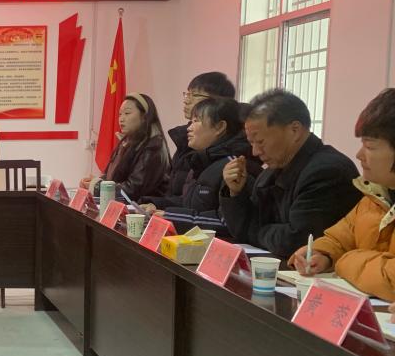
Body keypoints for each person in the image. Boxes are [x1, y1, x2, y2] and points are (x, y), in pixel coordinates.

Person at [219, 88, 359, 259]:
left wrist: (255, 231)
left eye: (260, 141)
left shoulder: (327, 171)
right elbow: (243, 229)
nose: (255, 151)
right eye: (251, 142)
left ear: (294, 130)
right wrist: (235, 193)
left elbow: (298, 240)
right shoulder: (272, 170)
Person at [288, 89, 395, 300]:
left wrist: (345, 260)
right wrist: (321, 254)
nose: (359, 155)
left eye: (369, 146)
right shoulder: (375, 196)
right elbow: (339, 239)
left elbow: (390, 279)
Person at [140, 97, 255, 234]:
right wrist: (155, 205)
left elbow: (227, 222)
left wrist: (172, 217)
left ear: (219, 127)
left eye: (196, 121)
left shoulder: (234, 166)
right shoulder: (203, 162)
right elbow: (189, 203)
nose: (189, 128)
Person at [81, 93, 170, 199]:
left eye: (127, 113)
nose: (121, 119)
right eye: (120, 114)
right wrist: (95, 182)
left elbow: (133, 189)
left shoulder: (153, 147)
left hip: (142, 207)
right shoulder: (127, 141)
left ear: (144, 116)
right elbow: (113, 177)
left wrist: (97, 186)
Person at [165, 72, 236, 198]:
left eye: (195, 95)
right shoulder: (185, 140)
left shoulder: (228, 159)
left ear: (217, 101)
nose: (186, 100)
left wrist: (165, 208)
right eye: (187, 94)